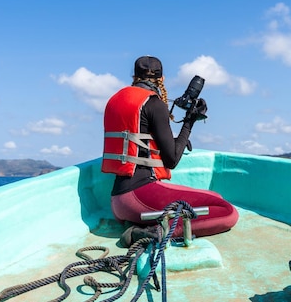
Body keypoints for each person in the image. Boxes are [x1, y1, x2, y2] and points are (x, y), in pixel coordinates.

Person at [102, 55, 238, 247]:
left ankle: (139, 223)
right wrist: (190, 121)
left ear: (134, 76)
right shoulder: (154, 104)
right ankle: (152, 232)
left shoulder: (116, 100)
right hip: (139, 196)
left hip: (118, 201)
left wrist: (177, 139)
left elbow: (140, 142)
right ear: (162, 79)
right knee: (227, 211)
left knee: (216, 198)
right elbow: (171, 160)